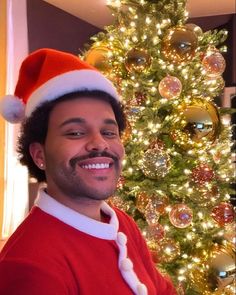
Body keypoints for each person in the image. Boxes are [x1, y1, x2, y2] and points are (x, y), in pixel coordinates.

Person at [0, 48, 177, 295]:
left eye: (109, 132)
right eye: (75, 132)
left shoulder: (122, 223)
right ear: (39, 155)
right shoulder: (29, 264)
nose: (100, 143)